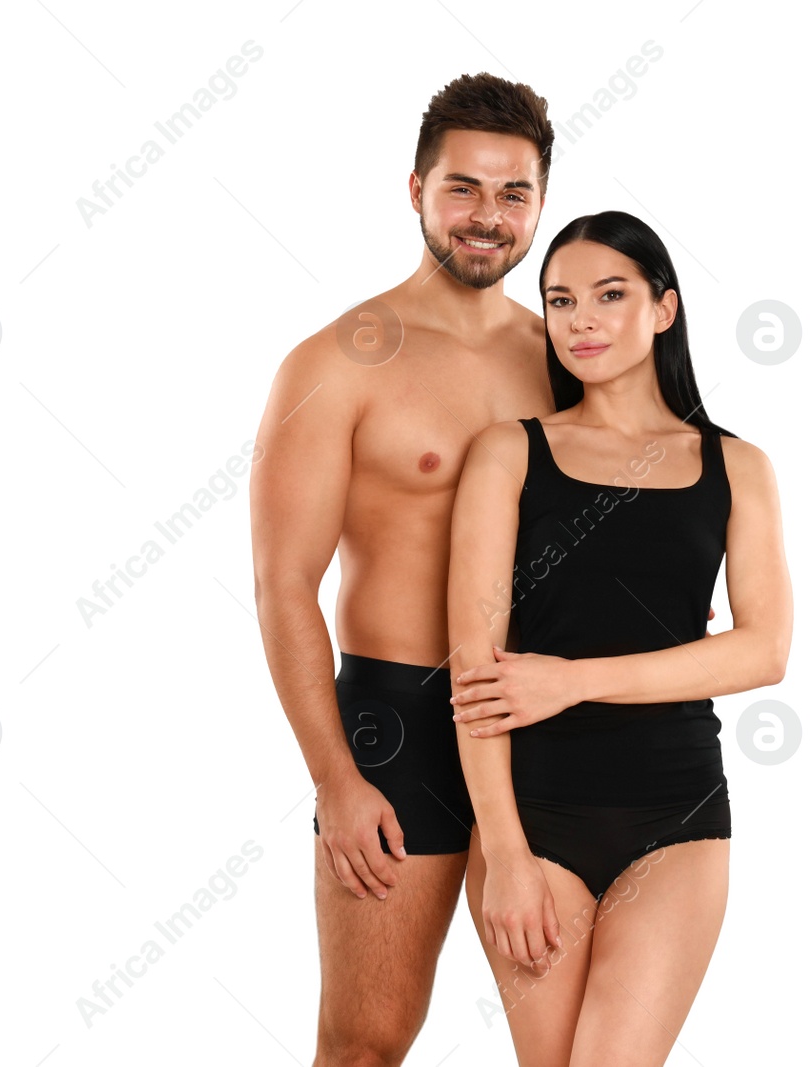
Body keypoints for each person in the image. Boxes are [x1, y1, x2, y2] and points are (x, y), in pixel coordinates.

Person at [249, 73, 558, 1067]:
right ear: (415, 188)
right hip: (397, 722)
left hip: (546, 712)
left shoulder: (569, 356)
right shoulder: (338, 361)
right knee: (367, 1037)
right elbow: (282, 582)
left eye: (512, 194)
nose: (487, 216)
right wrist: (334, 776)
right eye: (462, 188)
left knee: (572, 1041)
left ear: (540, 204)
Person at [445, 210, 794, 1066]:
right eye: (560, 301)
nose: (582, 320)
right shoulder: (509, 454)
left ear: (664, 308)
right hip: (534, 814)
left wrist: (571, 679)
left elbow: (764, 650)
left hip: (675, 810)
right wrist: (504, 852)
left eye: (610, 295)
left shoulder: (735, 466)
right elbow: (474, 673)